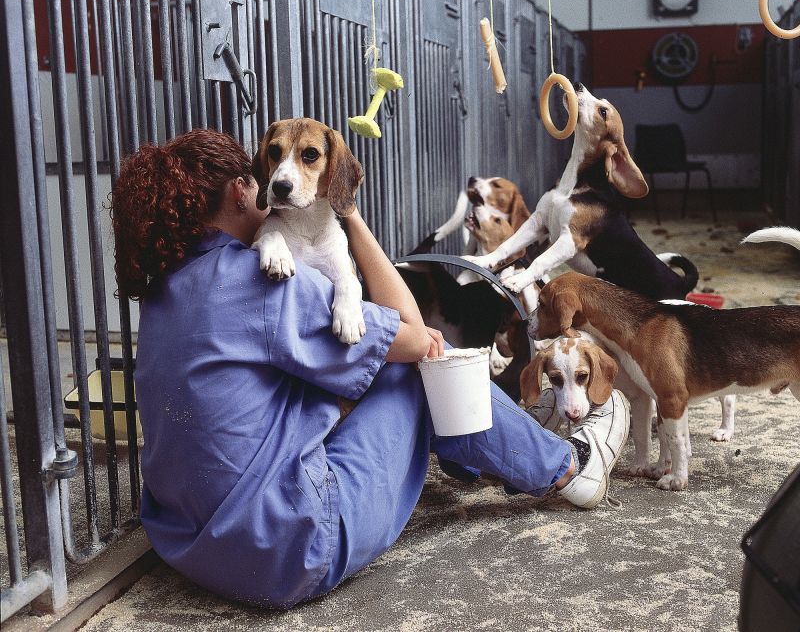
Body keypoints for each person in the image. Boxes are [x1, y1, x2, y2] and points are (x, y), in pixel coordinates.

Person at [111, 129, 628, 609]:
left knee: (370, 365)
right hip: (289, 551)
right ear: (237, 193)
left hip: (190, 547)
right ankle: (568, 468)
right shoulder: (262, 281)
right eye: (253, 176)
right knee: (420, 369)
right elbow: (413, 337)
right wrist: (351, 215)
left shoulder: (163, 296)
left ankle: (473, 454)